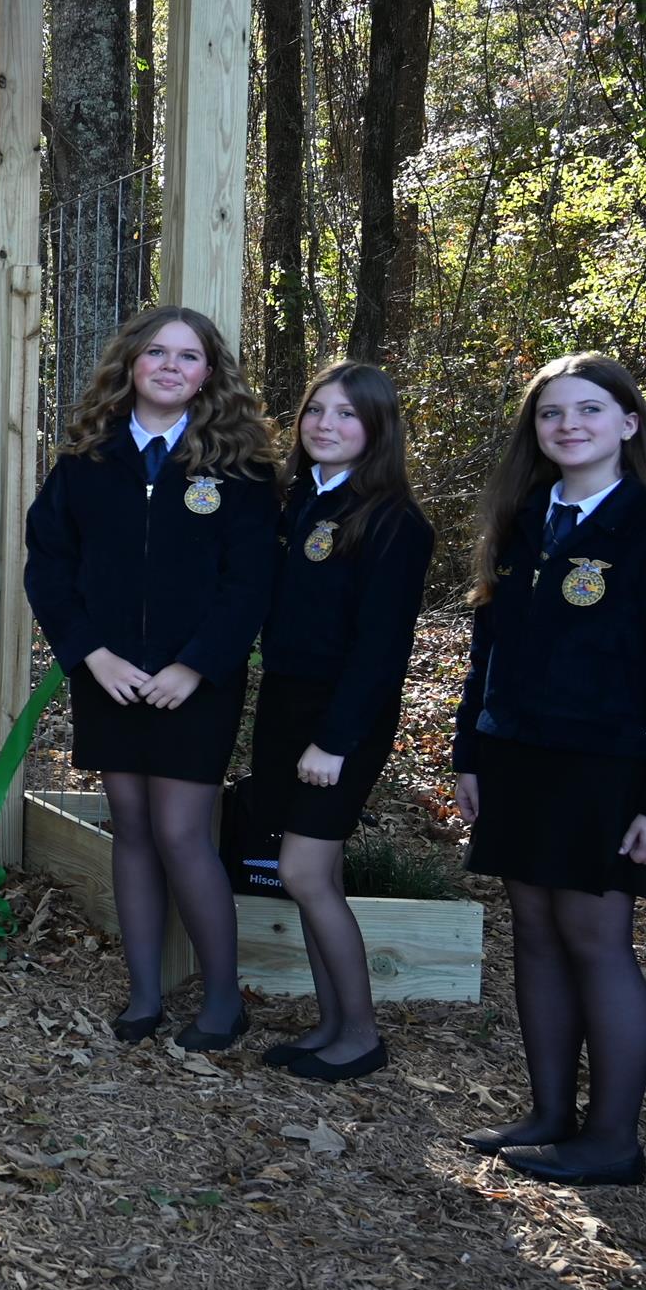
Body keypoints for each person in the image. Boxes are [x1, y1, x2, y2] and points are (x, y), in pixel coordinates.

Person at [452, 353, 646, 1187]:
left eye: (589, 410)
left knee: (596, 940)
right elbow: (487, 654)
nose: (568, 425)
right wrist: (470, 753)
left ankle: (612, 1140)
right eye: (551, 413)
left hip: (606, 770)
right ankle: (548, 1115)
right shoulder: (524, 522)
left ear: (628, 424)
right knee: (533, 931)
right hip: (518, 759)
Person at [24, 305, 277, 1050]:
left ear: (208, 374)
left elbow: (250, 584)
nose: (171, 366)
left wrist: (194, 665)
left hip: (196, 680)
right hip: (109, 675)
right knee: (131, 827)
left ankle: (224, 1000)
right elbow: (49, 566)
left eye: (188, 356)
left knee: (180, 831)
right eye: (158, 352)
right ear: (131, 363)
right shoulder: (86, 460)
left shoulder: (241, 467)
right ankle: (143, 994)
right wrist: (90, 653)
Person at [244, 362, 434, 1081]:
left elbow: (381, 649)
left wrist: (334, 739)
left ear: (377, 429)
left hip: (342, 718)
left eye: (347, 414)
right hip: (285, 703)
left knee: (302, 870)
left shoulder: (393, 521)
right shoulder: (298, 501)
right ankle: (329, 1024)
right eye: (316, 410)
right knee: (310, 874)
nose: (326, 425)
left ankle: (360, 1033)